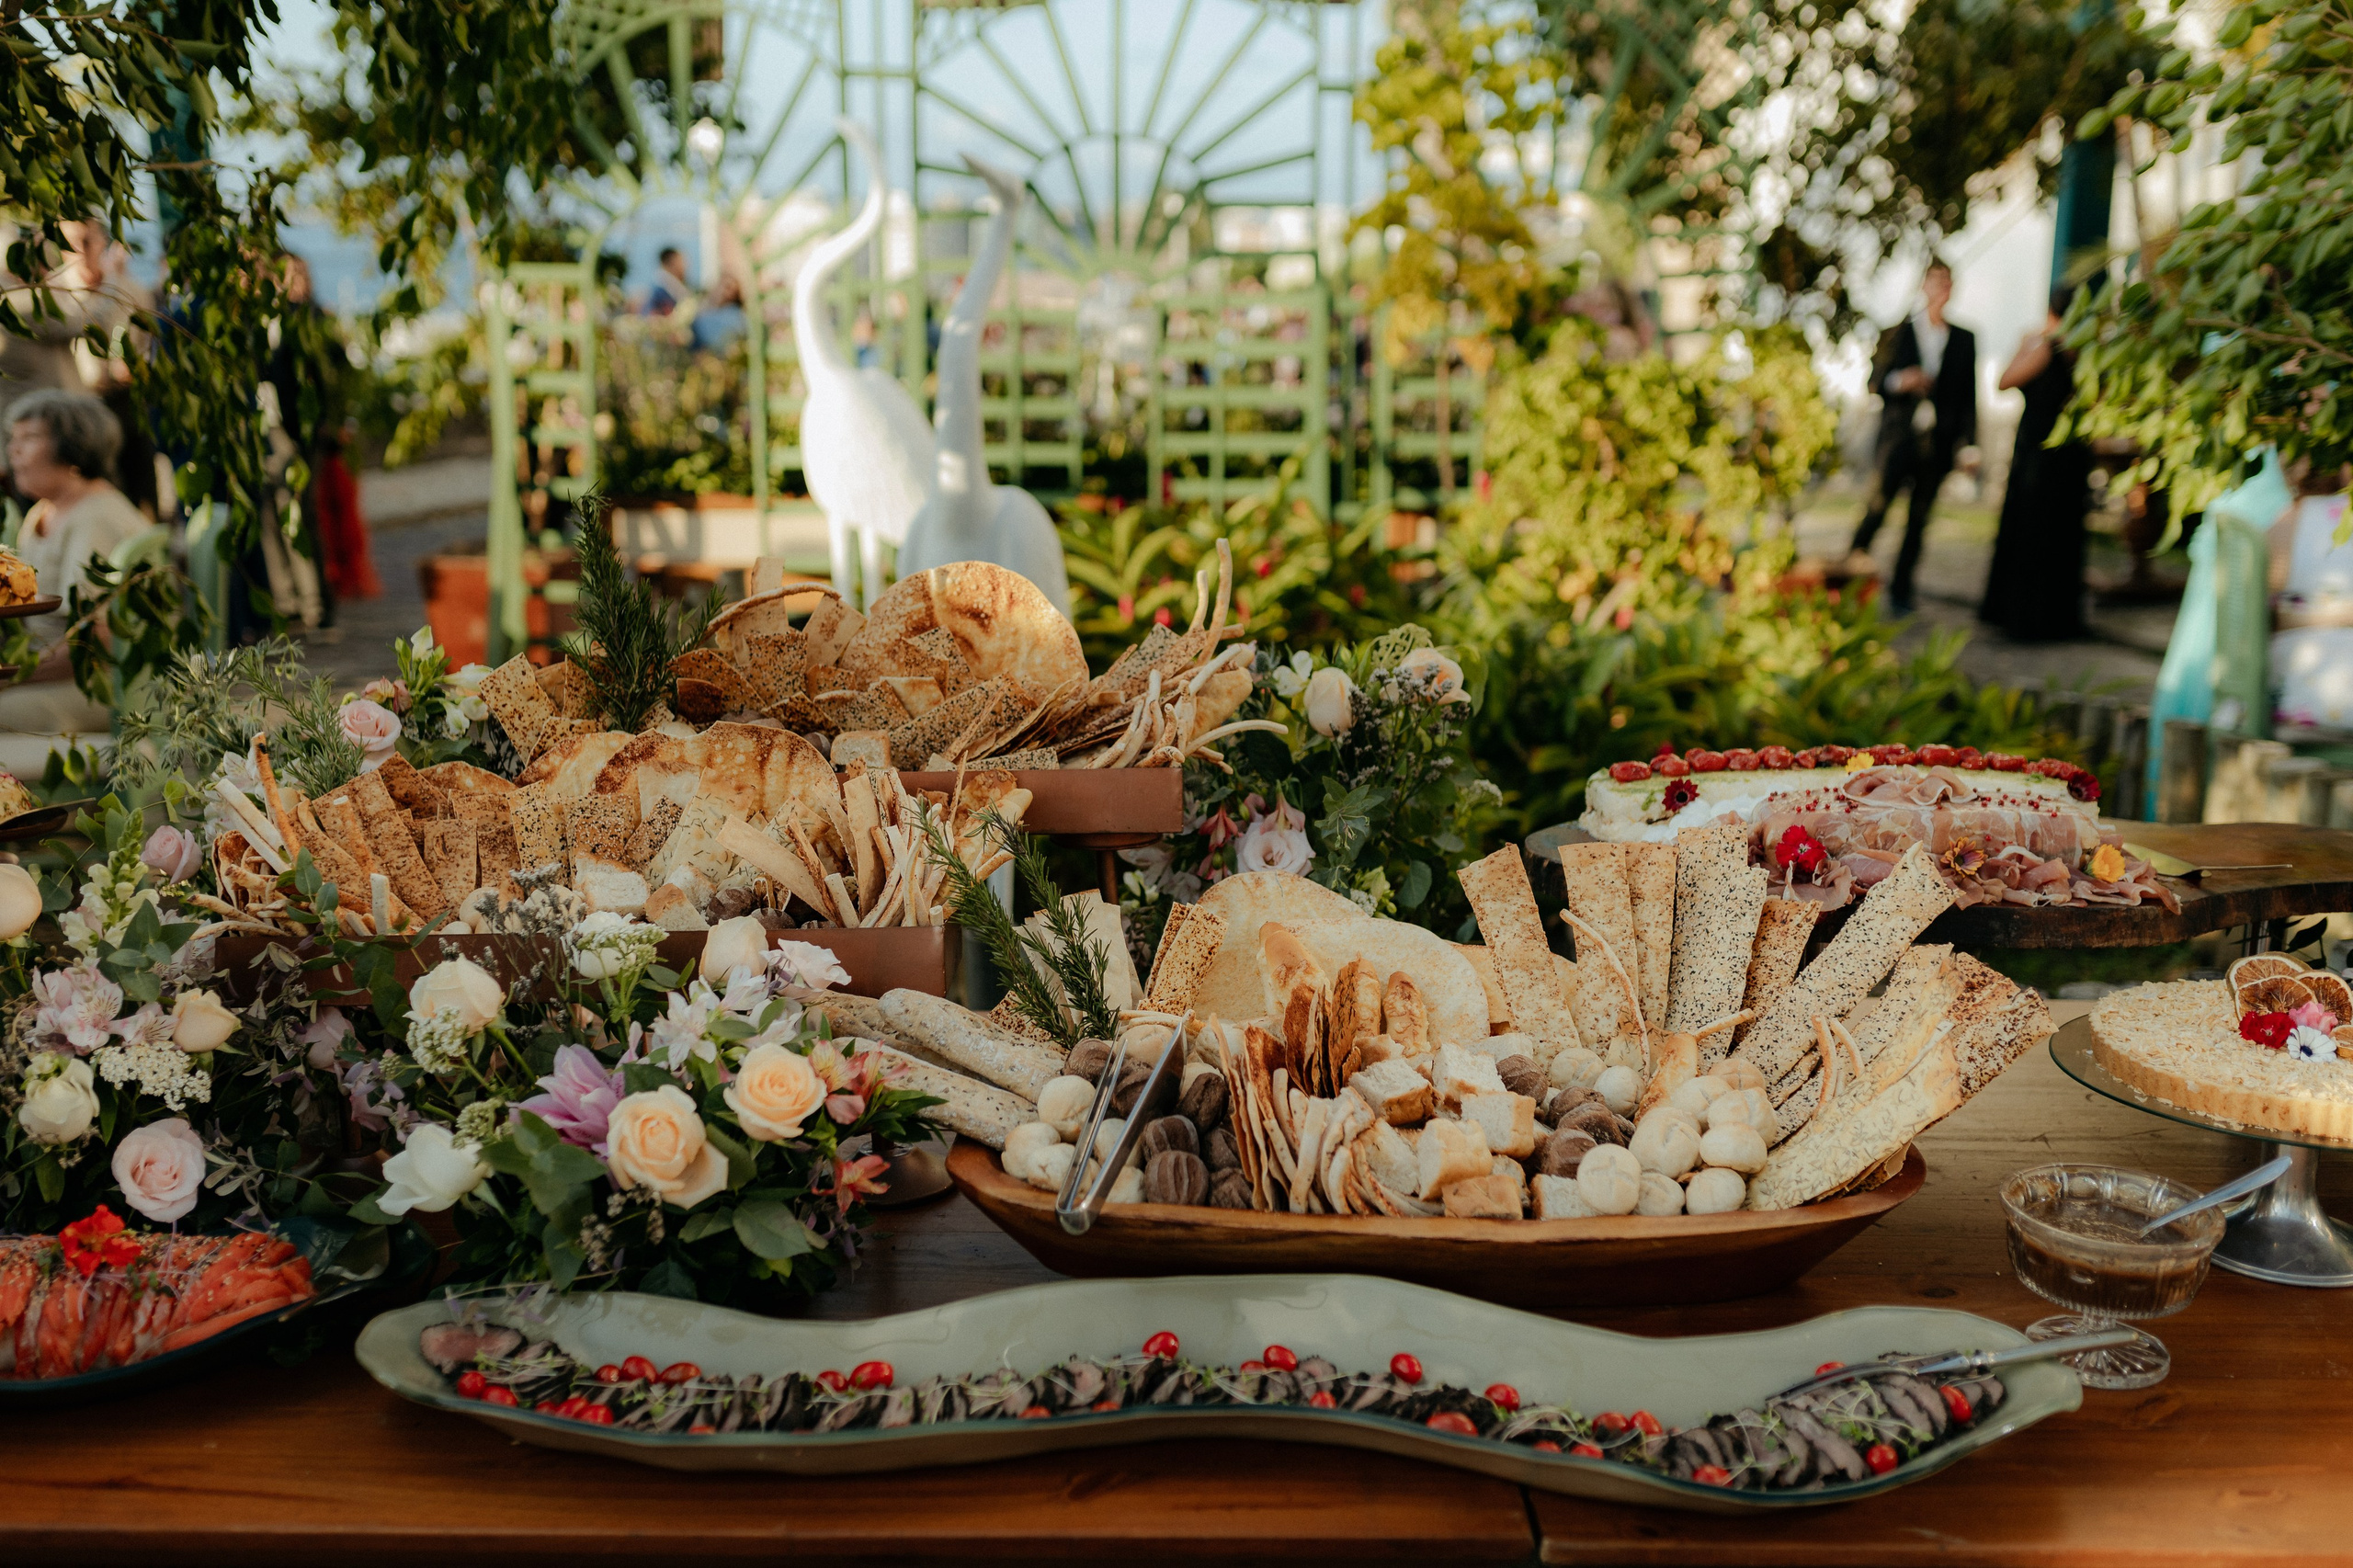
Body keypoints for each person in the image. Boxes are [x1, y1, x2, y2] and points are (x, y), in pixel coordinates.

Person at [0, 391, 155, 747]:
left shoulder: (94, 517)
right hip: (56, 677)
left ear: (72, 446)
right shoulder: (46, 510)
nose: (13, 450)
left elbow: (93, 643)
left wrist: (10, 677)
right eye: (13, 438)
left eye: (30, 438)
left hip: (101, 688)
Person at [1845, 261, 1978, 613]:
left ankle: (1901, 592)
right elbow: (1874, 383)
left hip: (1937, 444)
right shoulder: (1897, 333)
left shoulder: (1965, 339)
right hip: (1897, 441)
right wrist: (1902, 381)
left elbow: (1969, 398)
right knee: (1877, 511)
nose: (1940, 291)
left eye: (1947, 283)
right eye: (1934, 283)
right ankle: (1847, 581)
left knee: (1918, 522)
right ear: (1923, 287)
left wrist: (1971, 445)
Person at [1979, 286, 2093, 640]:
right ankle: (2058, 619)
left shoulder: (2046, 347)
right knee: (2062, 532)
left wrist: (2023, 342)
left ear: (2050, 312)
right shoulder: (2084, 351)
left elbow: (2003, 381)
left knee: (2030, 530)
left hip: (2039, 454)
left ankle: (2023, 617)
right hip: (2071, 451)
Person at [644, 246, 693, 316]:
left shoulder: (669, 286)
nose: (686, 267)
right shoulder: (660, 291)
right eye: (681, 262)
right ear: (672, 263)